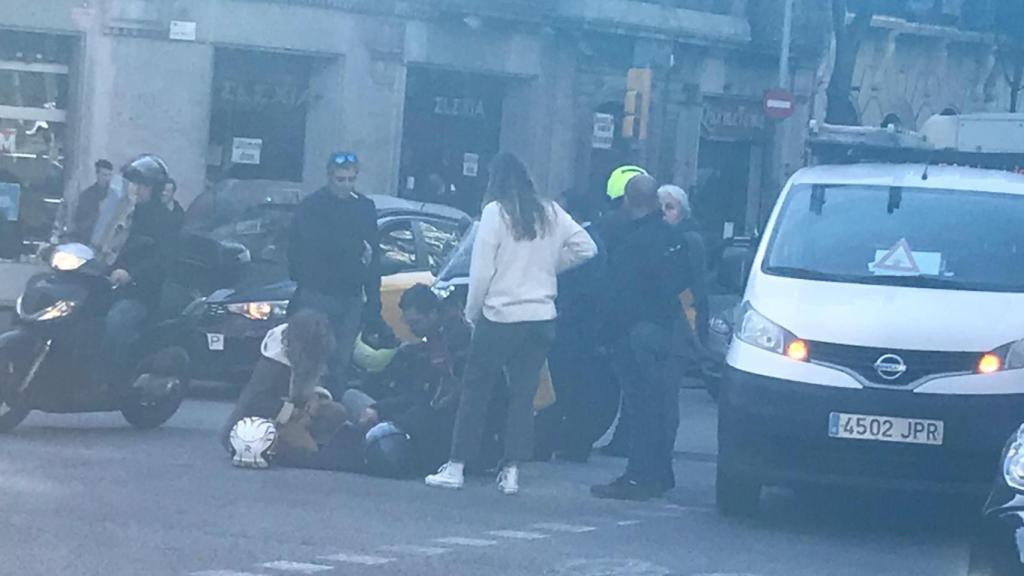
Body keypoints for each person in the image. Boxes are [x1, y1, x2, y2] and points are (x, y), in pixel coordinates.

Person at [425, 152, 597, 495]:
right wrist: (550, 267)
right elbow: (586, 247)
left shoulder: (495, 213)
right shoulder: (551, 212)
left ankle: (457, 465)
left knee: (476, 390)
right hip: (541, 316)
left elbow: (481, 272)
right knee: (523, 394)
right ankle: (512, 469)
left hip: (501, 315)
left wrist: (473, 313)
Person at [591, 174, 691, 501]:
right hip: (667, 334)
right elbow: (685, 290)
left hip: (635, 336)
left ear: (629, 201)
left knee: (640, 408)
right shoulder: (673, 238)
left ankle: (639, 476)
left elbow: (618, 294)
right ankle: (661, 474)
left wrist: (606, 334)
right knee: (659, 408)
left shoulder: (631, 241)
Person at [287, 151, 389, 397]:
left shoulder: (364, 207)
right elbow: (310, 245)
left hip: (350, 296)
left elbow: (373, 256)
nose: (346, 186)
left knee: (340, 363)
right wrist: (354, 249)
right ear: (329, 177)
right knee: (310, 360)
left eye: (351, 180)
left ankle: (330, 414)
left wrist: (373, 302)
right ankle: (300, 409)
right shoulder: (312, 206)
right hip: (317, 293)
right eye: (340, 180)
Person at [347, 284, 472, 475]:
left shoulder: (450, 345)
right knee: (353, 396)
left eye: (416, 323)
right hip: (425, 413)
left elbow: (430, 399)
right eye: (408, 323)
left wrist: (385, 413)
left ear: (433, 314)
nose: (411, 329)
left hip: (438, 422)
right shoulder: (432, 343)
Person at [220, 310, 363, 471]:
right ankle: (304, 448)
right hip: (265, 422)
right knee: (308, 450)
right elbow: (256, 402)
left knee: (337, 412)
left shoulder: (313, 353)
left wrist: (315, 397)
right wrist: (294, 413)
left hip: (297, 412)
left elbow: (317, 381)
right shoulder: (274, 363)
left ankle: (317, 444)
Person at [100, 154, 177, 386]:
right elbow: (97, 236)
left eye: (144, 185)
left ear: (155, 189)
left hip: (140, 292)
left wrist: (131, 273)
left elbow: (163, 259)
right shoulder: (121, 212)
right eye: (134, 183)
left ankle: (116, 378)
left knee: (117, 320)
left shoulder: (164, 220)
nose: (137, 189)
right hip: (106, 283)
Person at [659, 184, 709, 345]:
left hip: (685, 307)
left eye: (670, 207)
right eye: (659, 207)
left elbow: (694, 285)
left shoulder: (691, 240)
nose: (663, 213)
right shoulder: (651, 237)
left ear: (683, 213)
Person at [68, 159, 114, 245]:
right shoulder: (87, 196)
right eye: (104, 175)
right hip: (89, 240)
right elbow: (80, 223)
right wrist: (99, 213)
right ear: (97, 175)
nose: (107, 178)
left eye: (109, 175)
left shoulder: (114, 195)